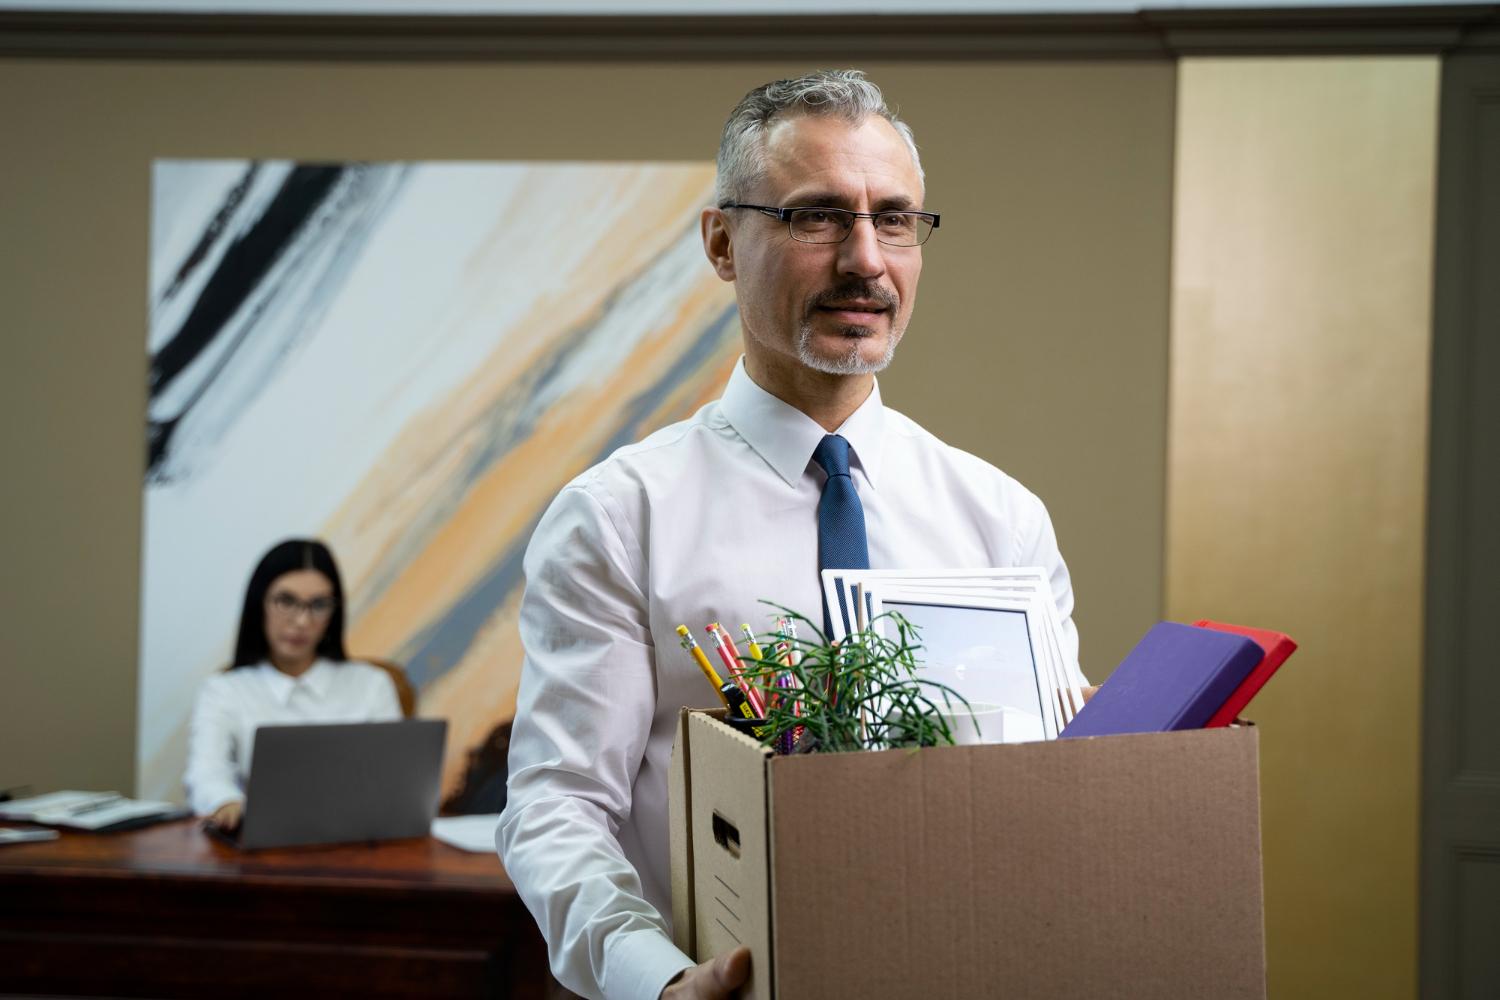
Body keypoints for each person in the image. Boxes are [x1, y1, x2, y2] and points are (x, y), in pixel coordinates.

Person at [499, 70, 1087, 1000]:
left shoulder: (1002, 521)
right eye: (818, 217)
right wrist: (658, 981)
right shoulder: (619, 518)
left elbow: (1044, 804)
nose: (865, 259)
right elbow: (558, 805)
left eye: (894, 219)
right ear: (723, 242)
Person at [184, 539, 403, 829]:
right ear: (259, 603)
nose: (301, 621)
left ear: (334, 613)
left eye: (318, 605)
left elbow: (396, 780)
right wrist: (227, 802)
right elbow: (205, 771)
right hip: (260, 846)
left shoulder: (372, 684)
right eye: (286, 602)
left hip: (358, 842)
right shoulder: (225, 690)